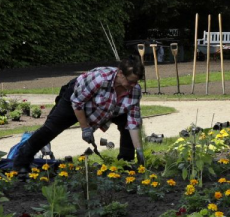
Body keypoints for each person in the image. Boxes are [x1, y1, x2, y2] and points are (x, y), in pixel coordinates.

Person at [11, 56, 147, 171]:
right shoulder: (99, 79)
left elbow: (133, 122)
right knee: (52, 128)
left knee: (126, 125)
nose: (133, 85)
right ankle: (20, 163)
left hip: (106, 105)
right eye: (131, 81)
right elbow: (77, 103)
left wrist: (139, 152)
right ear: (120, 73)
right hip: (75, 98)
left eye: (136, 82)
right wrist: (85, 128)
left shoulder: (134, 90)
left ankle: (125, 163)